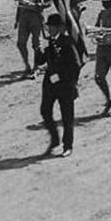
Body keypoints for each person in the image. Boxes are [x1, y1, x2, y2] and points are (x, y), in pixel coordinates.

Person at [40, 12, 81, 156]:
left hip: (65, 86)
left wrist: (61, 77)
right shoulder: (49, 41)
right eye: (48, 26)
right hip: (50, 85)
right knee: (45, 111)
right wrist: (39, 49)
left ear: (59, 28)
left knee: (67, 117)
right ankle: (55, 139)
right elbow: (41, 61)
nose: (49, 29)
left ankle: (67, 146)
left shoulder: (67, 42)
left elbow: (76, 65)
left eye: (52, 27)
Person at [13, 0, 48, 78]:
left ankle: (36, 68)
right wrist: (17, 19)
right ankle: (27, 66)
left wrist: (38, 6)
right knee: (20, 43)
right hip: (23, 17)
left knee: (36, 44)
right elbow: (20, 3)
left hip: (35, 17)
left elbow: (48, 1)